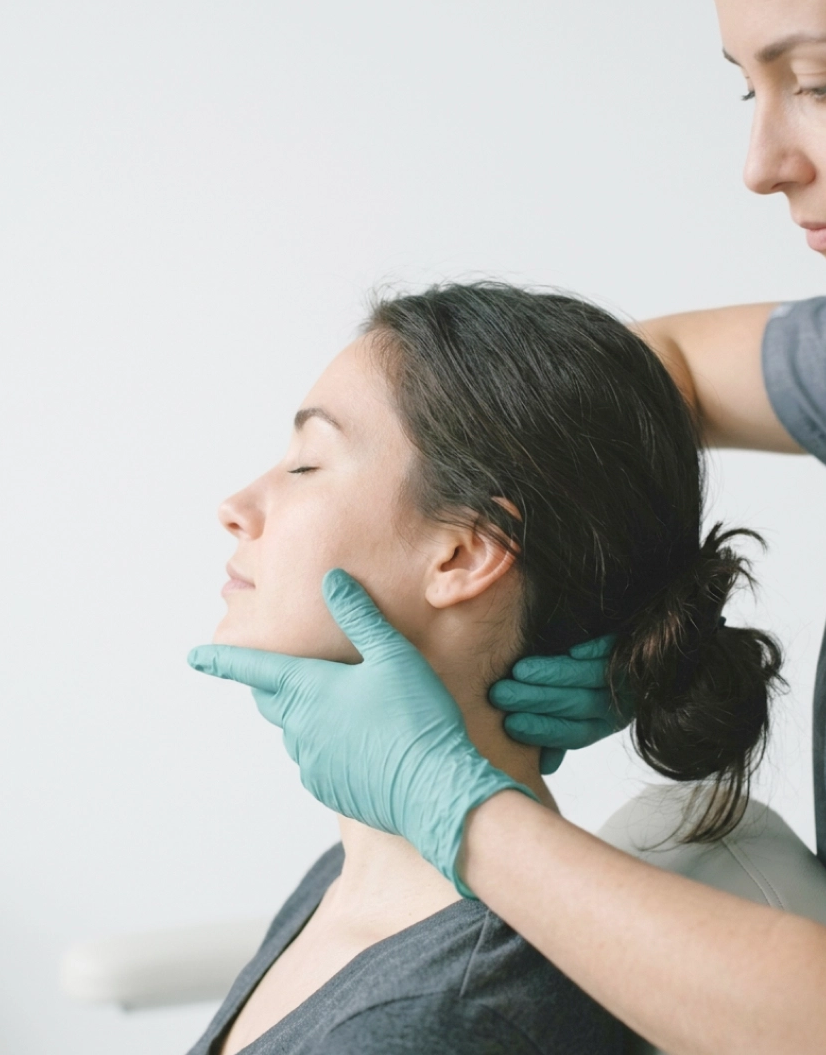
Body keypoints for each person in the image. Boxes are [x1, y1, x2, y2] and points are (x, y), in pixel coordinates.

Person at [189, 0, 826, 1052]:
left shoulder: (446, 1013)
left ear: (466, 550)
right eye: (751, 91)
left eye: (820, 83)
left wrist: (448, 799)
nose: (761, 164)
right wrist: (599, 579)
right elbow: (619, 382)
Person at [187, 284, 784, 1054]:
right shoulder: (349, 878)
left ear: (463, 554)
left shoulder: (446, 1021)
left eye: (306, 465)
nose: (235, 506)